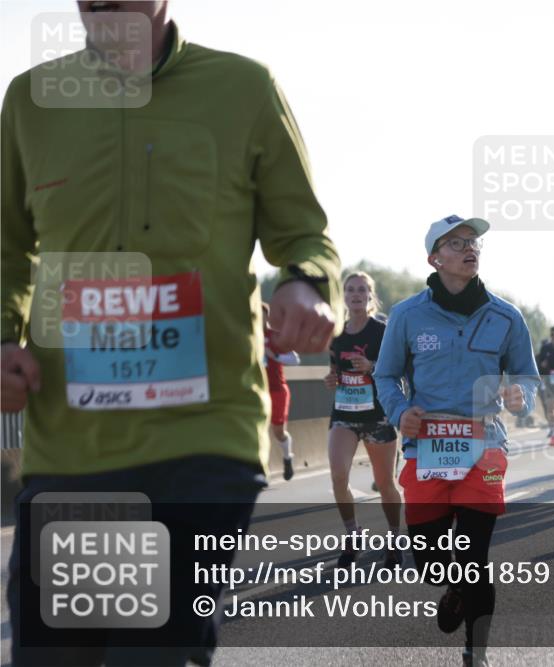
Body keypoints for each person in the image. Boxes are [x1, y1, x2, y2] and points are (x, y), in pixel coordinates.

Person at [1, 3, 341, 664]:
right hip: (69, 444)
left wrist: (304, 283)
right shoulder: (30, 101)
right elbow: (7, 250)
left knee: (152, 651)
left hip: (201, 436)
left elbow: (305, 234)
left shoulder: (244, 88)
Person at [373, 215, 539, 667]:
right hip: (426, 448)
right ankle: (457, 587)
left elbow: (527, 376)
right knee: (429, 562)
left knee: (473, 556)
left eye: (473, 242)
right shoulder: (407, 315)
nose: (470, 248)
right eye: (456, 243)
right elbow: (385, 376)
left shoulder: (506, 316)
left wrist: (521, 396)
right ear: (435, 258)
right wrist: (399, 412)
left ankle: (475, 653)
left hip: (485, 446)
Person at [325, 272, 402, 569]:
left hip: (377, 416)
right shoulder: (336, 333)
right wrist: (332, 379)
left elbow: (397, 369)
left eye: (361, 290)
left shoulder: (382, 331)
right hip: (344, 414)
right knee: (338, 476)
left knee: (385, 484)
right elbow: (335, 368)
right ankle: (353, 534)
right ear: (343, 296)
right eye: (350, 290)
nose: (355, 294)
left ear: (370, 295)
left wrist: (371, 365)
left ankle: (394, 540)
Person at [262, 302, 301, 481]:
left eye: (262, 315)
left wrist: (275, 356)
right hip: (258, 391)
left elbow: (295, 359)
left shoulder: (276, 336)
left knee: (278, 431)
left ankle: (287, 458)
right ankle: (262, 470)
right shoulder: (249, 336)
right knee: (259, 431)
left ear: (267, 317)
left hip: (277, 389)